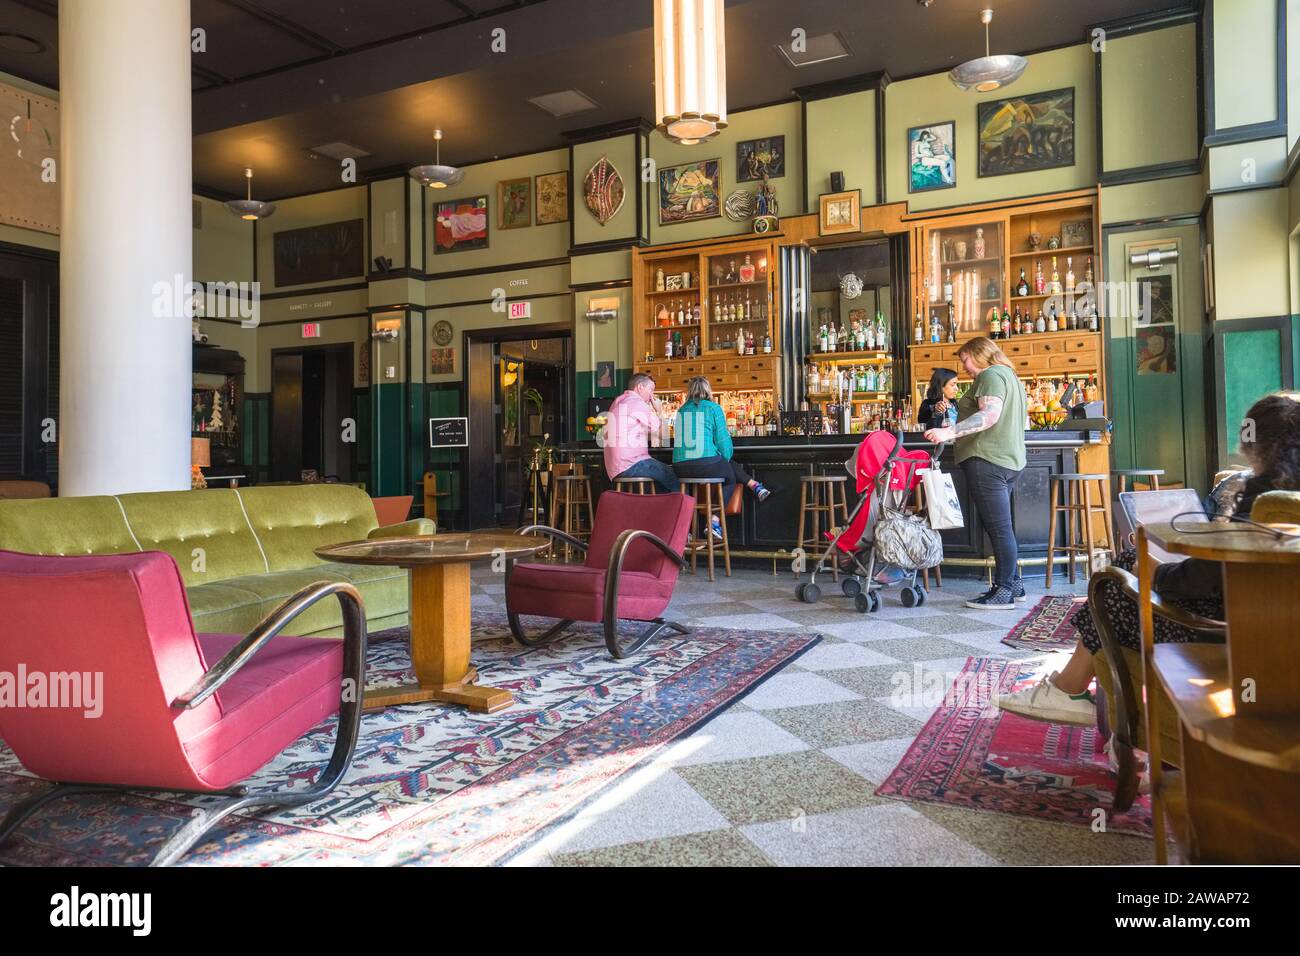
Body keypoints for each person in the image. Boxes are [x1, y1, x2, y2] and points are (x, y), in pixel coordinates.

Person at [996, 391, 1300, 726]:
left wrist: (1154, 568)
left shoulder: (1265, 501)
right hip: (1276, 630)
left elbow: (1206, 581)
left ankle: (1074, 691)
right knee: (1128, 569)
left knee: (1114, 584)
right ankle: (1073, 690)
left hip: (1230, 631)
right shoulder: (1285, 497)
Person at [923, 337, 1027, 609]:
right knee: (1002, 527)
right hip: (1009, 460)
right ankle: (1014, 584)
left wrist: (948, 432)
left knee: (999, 528)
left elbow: (989, 416)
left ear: (980, 355)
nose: (964, 367)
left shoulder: (991, 375)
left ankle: (1003, 591)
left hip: (987, 459)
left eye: (966, 359)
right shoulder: (1010, 376)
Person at [673, 377, 770, 539]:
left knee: (723, 465)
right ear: (708, 391)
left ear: (689, 392)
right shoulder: (713, 408)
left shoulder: (681, 410)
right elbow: (725, 445)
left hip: (680, 467)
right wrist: (723, 458)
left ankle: (755, 486)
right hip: (705, 464)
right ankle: (714, 521)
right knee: (729, 477)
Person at [601, 373, 679, 493]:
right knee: (673, 476)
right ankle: (688, 511)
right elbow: (664, 435)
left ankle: (651, 509)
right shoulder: (637, 403)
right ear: (640, 387)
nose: (652, 395)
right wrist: (659, 411)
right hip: (631, 464)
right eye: (651, 390)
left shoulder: (618, 401)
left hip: (614, 468)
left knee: (659, 484)